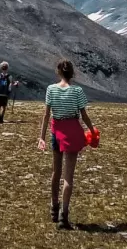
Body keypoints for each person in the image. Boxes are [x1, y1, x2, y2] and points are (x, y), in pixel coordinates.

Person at [37, 59, 96, 229]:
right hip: (73, 131)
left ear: (59, 72)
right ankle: (64, 214)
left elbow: (46, 115)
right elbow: (83, 115)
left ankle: (53, 207)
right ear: (72, 74)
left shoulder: (51, 89)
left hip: (57, 131)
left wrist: (41, 137)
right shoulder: (77, 91)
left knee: (56, 172)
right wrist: (92, 130)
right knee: (68, 177)